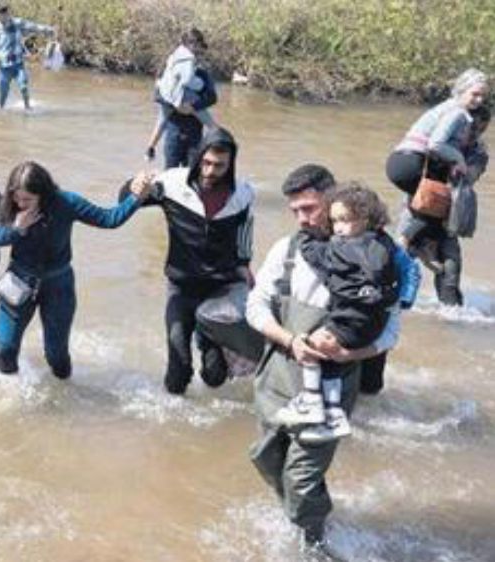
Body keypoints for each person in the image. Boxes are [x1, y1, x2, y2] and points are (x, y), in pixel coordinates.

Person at [246, 165, 402, 553]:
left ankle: (313, 545)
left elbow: (391, 329)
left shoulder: (376, 253)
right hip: (278, 375)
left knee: (300, 477)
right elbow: (254, 304)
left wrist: (352, 351)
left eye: (310, 208)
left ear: (333, 199)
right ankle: (306, 518)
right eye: (295, 210)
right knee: (267, 460)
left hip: (333, 384)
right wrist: (289, 339)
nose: (303, 218)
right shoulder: (287, 249)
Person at [0, 162, 153, 379]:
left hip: (58, 284)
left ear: (43, 194)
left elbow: (109, 219)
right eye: (16, 198)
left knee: (56, 355)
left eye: (27, 199)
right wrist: (17, 228)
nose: (20, 204)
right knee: (4, 348)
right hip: (18, 281)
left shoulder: (66, 202)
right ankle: (9, 393)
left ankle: (66, 392)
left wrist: (136, 198)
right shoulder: (11, 206)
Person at [127, 128, 255, 394]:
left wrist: (245, 264)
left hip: (221, 289)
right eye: (206, 163)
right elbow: (127, 202)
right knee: (178, 370)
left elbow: (245, 232)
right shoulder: (172, 184)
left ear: (230, 165)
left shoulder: (242, 194)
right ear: (198, 158)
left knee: (215, 377)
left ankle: (209, 340)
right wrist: (134, 186)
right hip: (181, 285)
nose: (210, 171)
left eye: (219, 166)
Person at [273, 184, 401, 443]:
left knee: (313, 345)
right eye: (334, 221)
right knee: (331, 361)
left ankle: (311, 400)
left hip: (350, 319)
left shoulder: (343, 248)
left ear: (365, 219)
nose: (338, 228)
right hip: (373, 321)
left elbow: (317, 255)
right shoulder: (384, 244)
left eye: (344, 220)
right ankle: (333, 414)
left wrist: (305, 239)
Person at [393, 103, 490, 308]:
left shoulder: (478, 152)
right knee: (397, 268)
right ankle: (390, 307)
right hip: (417, 212)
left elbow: (471, 175)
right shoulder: (437, 143)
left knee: (451, 270)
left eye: (480, 130)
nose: (474, 134)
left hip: (448, 216)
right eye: (472, 128)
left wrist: (460, 163)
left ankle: (452, 317)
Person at [386, 69, 489, 252]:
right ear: (462, 90)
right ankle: (406, 243)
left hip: (401, 161)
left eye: (483, 96)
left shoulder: (447, 108)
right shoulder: (457, 112)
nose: (479, 100)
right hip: (410, 162)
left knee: (423, 205)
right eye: (475, 94)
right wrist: (459, 160)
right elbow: (436, 143)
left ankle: (408, 244)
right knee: (439, 205)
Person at [144, 32, 218, 169]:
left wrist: (193, 106)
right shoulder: (171, 68)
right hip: (173, 134)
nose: (199, 54)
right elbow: (158, 94)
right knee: (169, 173)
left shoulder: (203, 73)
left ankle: (221, 143)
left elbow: (212, 97)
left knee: (191, 174)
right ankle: (150, 147)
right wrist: (176, 105)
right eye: (199, 49)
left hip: (194, 136)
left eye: (201, 51)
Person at [0, 4, 56, 110]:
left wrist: (48, 29)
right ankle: (1, 111)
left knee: (24, 86)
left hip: (18, 64)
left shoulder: (18, 23)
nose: (0, 18)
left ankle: (28, 108)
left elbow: (34, 27)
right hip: (4, 67)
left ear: (7, 14)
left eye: (2, 15)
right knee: (3, 93)